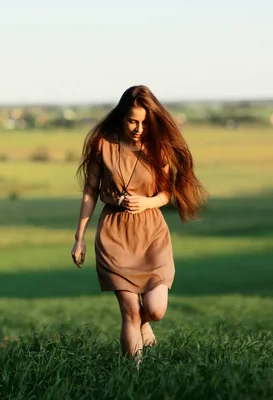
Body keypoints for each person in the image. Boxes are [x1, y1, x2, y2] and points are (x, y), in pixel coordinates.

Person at [71, 85, 207, 360]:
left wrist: (147, 202)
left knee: (155, 310)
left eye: (145, 122)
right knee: (130, 311)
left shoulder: (159, 149)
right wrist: (79, 238)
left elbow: (167, 192)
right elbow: (90, 192)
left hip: (151, 234)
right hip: (114, 234)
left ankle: (145, 324)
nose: (138, 128)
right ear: (121, 116)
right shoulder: (103, 145)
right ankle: (133, 378)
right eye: (133, 120)